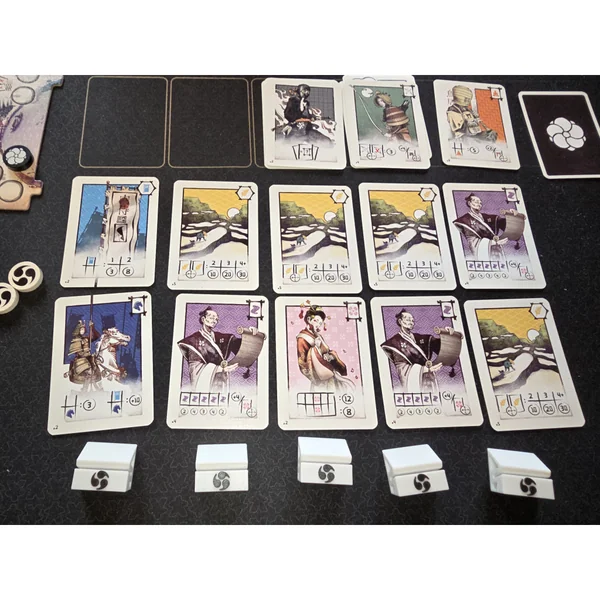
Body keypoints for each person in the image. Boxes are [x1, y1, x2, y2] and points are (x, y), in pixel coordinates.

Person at [177, 307, 257, 393]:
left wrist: (250, 334)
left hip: (222, 379)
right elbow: (195, 368)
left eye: (216, 319)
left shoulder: (220, 337)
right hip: (207, 381)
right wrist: (220, 369)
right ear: (203, 319)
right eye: (211, 318)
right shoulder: (193, 340)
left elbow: (239, 344)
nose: (214, 321)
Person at [381, 310, 454, 394]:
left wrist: (447, 335)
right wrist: (425, 369)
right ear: (400, 321)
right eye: (408, 320)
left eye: (413, 320)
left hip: (429, 378)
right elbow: (402, 369)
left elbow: (439, 345)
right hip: (415, 380)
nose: (411, 322)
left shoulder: (421, 338)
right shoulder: (394, 343)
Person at [296, 306, 354, 393]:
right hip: (320, 379)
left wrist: (331, 356)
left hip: (331, 375)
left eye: (320, 323)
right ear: (309, 320)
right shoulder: (302, 339)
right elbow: (303, 365)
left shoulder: (318, 336)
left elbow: (327, 352)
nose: (318, 325)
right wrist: (315, 348)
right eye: (316, 321)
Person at [453, 194, 523, 262]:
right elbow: (473, 242)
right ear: (469, 203)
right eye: (476, 202)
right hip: (485, 252)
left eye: (480, 203)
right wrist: (494, 242)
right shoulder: (465, 220)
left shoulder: (488, 217)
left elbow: (503, 223)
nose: (479, 204)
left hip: (497, 251)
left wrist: (512, 216)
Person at [66, 320, 103, 392]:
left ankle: (97, 387)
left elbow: (96, 336)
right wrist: (83, 353)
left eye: (83, 329)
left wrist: (92, 327)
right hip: (81, 359)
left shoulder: (87, 338)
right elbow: (76, 351)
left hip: (89, 357)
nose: (82, 331)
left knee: (95, 368)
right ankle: (85, 390)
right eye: (81, 329)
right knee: (88, 372)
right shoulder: (75, 340)